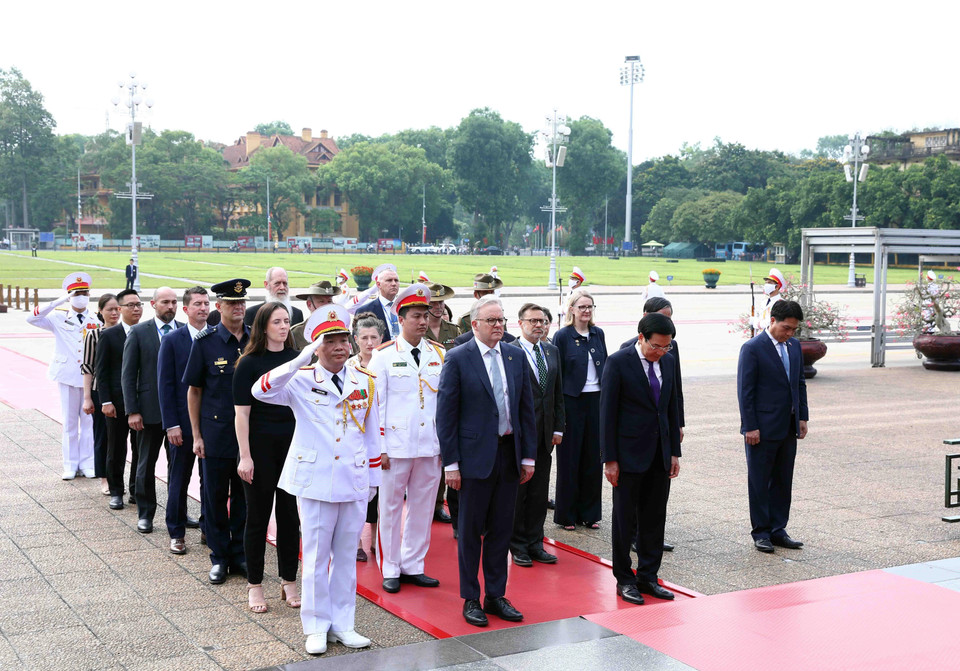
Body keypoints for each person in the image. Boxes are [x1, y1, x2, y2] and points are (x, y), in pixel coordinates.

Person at [252, 303, 381, 655]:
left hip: (352, 480)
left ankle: (343, 624)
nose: (340, 347)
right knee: (315, 556)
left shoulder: (365, 381)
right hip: (315, 480)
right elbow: (259, 391)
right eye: (330, 341)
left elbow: (372, 434)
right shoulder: (300, 380)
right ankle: (315, 626)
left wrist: (372, 480)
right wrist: (298, 360)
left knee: (344, 557)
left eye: (344, 340)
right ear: (316, 345)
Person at [436, 295, 537, 628]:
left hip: (508, 455)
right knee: (469, 532)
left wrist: (527, 456)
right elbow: (446, 416)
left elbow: (525, 410)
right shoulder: (458, 358)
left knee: (501, 530)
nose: (499, 326)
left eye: (502, 321)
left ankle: (496, 594)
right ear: (475, 323)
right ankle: (471, 598)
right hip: (473, 460)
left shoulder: (515, 355)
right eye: (492, 321)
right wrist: (451, 464)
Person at [368, 284, 444, 594]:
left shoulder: (439, 354)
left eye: (425, 316)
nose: (423, 322)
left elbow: (445, 405)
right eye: (416, 316)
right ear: (401, 319)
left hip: (429, 445)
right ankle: (391, 567)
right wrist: (380, 448)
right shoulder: (383, 356)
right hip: (395, 448)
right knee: (390, 509)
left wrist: (445, 447)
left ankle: (414, 564)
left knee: (423, 508)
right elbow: (375, 407)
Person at [602, 312, 682, 605]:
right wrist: (609, 459)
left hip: (659, 454)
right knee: (625, 519)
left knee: (654, 518)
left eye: (666, 347)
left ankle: (648, 576)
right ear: (641, 338)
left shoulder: (669, 362)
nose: (661, 352)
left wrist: (674, 451)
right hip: (626, 455)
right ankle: (625, 579)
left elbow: (671, 408)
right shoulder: (618, 362)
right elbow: (607, 414)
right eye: (656, 347)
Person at [234, 302, 301, 614]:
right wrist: (244, 456)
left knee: (290, 516)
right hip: (259, 449)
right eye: (277, 322)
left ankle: (289, 580)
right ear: (263, 327)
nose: (284, 326)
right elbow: (241, 415)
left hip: (291, 447)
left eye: (287, 321)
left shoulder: (296, 360)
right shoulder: (248, 364)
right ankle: (255, 585)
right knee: (257, 518)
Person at [183, 279, 251, 584]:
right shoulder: (205, 341)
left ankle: (239, 554)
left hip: (248, 435)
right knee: (214, 497)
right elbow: (194, 391)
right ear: (219, 307)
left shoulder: (255, 341)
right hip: (216, 432)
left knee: (243, 497)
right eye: (231, 303)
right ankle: (219, 557)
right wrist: (197, 435)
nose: (238, 308)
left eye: (242, 303)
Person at [738, 299, 808, 554]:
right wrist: (750, 426)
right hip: (762, 428)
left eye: (793, 329)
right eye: (786, 328)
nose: (789, 333)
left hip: (787, 426)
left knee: (782, 480)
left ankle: (779, 529)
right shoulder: (753, 348)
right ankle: (761, 532)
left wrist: (802, 416)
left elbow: (799, 382)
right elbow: (745, 391)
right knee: (759, 480)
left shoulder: (794, 346)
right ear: (772, 321)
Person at [621, 296, 684, 553]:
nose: (662, 351)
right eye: (661, 316)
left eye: (669, 317)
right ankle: (633, 536)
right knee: (633, 496)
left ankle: (651, 539)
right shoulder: (625, 353)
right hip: (635, 440)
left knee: (657, 498)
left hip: (661, 434)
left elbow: (674, 389)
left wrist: (678, 422)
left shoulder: (670, 349)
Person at [122, 287, 183, 534]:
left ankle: (177, 511)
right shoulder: (138, 332)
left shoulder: (184, 331)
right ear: (153, 304)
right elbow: (128, 375)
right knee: (145, 464)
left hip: (178, 414)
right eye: (165, 302)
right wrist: (132, 410)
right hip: (148, 412)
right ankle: (145, 513)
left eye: (174, 302)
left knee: (178, 467)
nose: (170, 306)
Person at [28, 272, 99, 480]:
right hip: (67, 375)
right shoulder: (58, 316)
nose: (81, 296)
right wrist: (58, 301)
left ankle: (87, 463)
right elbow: (32, 318)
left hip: (89, 378)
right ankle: (69, 464)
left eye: (84, 292)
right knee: (69, 423)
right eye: (76, 293)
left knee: (88, 423)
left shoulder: (95, 318)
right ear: (69, 296)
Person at [510, 303, 564, 567]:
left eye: (542, 321)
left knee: (540, 492)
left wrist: (558, 427)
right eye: (533, 321)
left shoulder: (552, 351)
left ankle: (535, 541)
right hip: (519, 435)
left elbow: (557, 393)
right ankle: (517, 544)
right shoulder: (510, 352)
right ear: (520, 323)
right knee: (519, 491)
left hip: (545, 434)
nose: (539, 326)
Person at [158, 287, 209, 554]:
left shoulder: (214, 337)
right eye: (197, 304)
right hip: (182, 425)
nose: (203, 308)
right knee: (178, 479)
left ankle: (207, 527)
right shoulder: (172, 340)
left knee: (209, 481)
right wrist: (171, 424)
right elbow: (165, 385)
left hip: (210, 425)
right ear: (186, 310)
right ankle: (176, 532)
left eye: (206, 303)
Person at [552, 289, 607, 530]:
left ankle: (590, 513)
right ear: (571, 309)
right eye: (582, 306)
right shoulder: (562, 336)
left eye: (590, 306)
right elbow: (557, 374)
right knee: (570, 459)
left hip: (596, 401)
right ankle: (567, 514)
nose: (586, 310)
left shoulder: (598, 334)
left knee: (593, 459)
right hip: (571, 401)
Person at [96, 288, 143, 508]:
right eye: (131, 305)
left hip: (141, 402)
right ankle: (116, 490)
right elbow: (102, 371)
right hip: (116, 403)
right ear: (121, 309)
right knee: (116, 448)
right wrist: (105, 401)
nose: (136, 309)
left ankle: (137, 490)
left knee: (140, 449)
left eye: (139, 304)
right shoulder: (110, 334)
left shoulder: (146, 331)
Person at [347, 311, 386, 562]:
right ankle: (355, 543)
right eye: (364, 337)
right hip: (354, 439)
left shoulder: (388, 362)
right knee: (356, 493)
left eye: (374, 337)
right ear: (355, 340)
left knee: (379, 494)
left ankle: (373, 540)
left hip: (383, 437)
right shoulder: (348, 366)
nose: (370, 342)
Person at [82, 293, 120, 494]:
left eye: (117, 309)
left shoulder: (130, 332)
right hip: (100, 391)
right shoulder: (95, 335)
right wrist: (87, 398)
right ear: (100, 312)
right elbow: (88, 367)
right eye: (110, 309)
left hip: (123, 391)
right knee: (103, 436)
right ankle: (104, 478)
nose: (114, 313)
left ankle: (119, 476)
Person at [291, 281, 342, 350]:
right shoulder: (297, 333)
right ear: (309, 305)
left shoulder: (341, 329)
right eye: (321, 301)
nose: (327, 306)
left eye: (329, 301)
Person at [356, 264, 401, 339]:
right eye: (389, 280)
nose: (394, 284)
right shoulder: (365, 311)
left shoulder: (406, 307)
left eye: (396, 280)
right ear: (378, 284)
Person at [425, 282, 459, 351]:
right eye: (433, 303)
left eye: (441, 302)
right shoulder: (418, 329)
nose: (438, 306)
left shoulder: (453, 330)